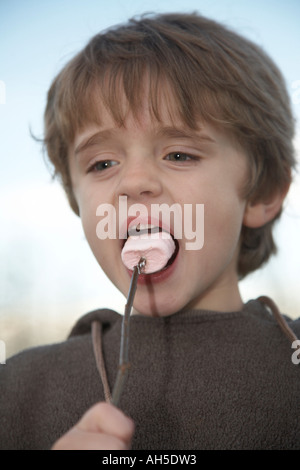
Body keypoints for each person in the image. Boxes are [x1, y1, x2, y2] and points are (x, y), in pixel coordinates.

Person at [0, 12, 299, 451]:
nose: (132, 182)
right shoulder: (18, 390)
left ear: (261, 194)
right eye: (102, 164)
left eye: (179, 154)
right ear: (77, 202)